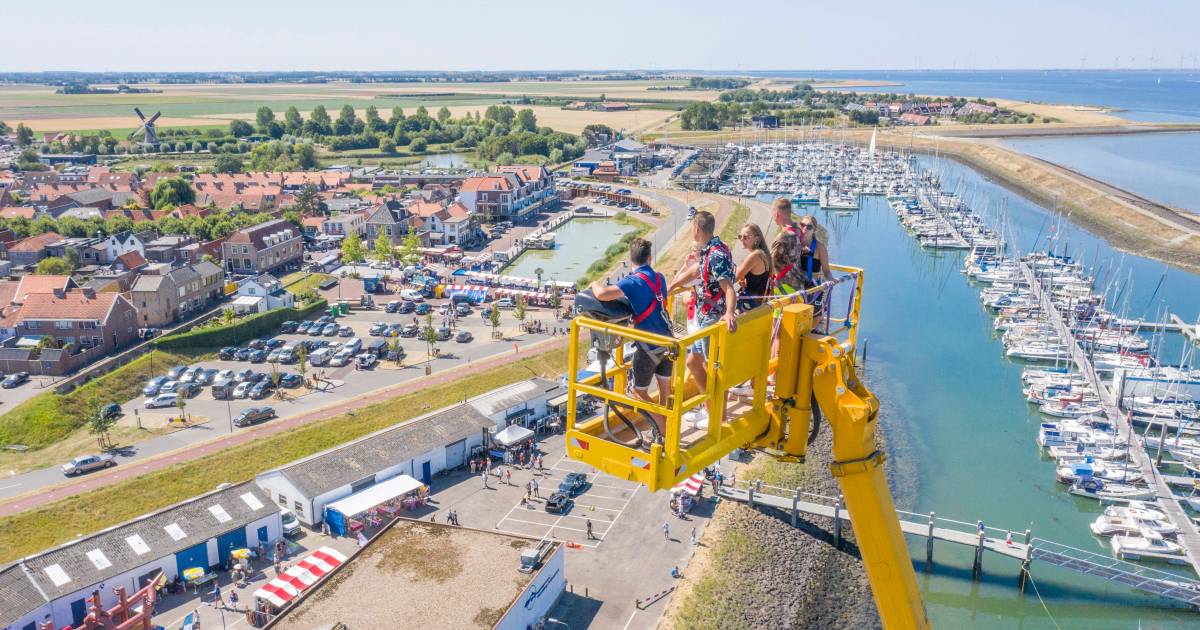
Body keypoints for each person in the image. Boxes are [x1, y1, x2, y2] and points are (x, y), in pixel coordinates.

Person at [589, 237, 674, 433]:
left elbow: (602, 294)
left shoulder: (632, 281)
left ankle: (661, 426)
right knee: (664, 389)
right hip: (668, 341)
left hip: (648, 344)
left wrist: (594, 282)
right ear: (650, 258)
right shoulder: (659, 278)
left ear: (631, 259)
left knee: (638, 392)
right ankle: (665, 426)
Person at [669, 210, 737, 430]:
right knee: (693, 362)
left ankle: (720, 416)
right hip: (703, 316)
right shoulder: (712, 250)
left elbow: (728, 289)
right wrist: (670, 288)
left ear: (697, 228)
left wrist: (728, 313)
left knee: (713, 369)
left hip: (711, 318)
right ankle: (709, 409)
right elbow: (695, 271)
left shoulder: (715, 254)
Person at [735, 223, 773, 312]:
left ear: (757, 238)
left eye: (746, 237)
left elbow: (734, 277)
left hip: (748, 307)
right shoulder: (763, 254)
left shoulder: (755, 256)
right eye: (740, 236)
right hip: (757, 305)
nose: (742, 239)